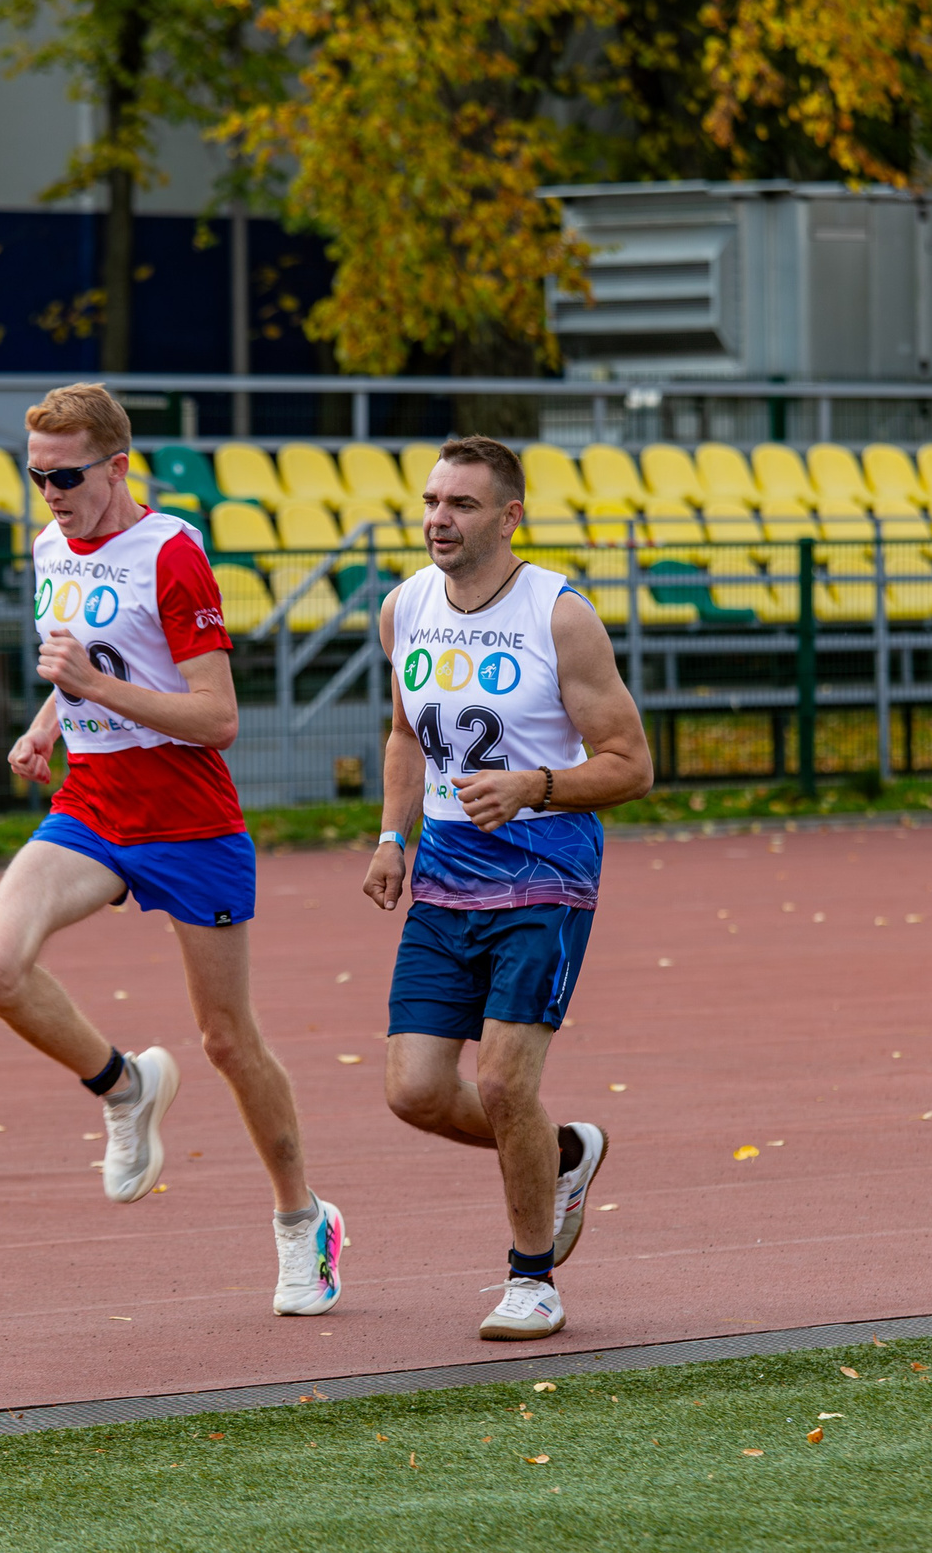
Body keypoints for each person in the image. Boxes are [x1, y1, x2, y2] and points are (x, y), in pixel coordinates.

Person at [0, 383, 342, 1314]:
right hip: (94, 801)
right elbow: (85, 658)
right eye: (35, 475)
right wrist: (51, 719)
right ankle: (124, 1085)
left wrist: (90, 684)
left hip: (187, 813)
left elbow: (216, 717)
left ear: (118, 464)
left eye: (66, 474)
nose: (49, 492)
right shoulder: (51, 544)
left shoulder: (171, 555)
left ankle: (305, 1223)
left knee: (226, 1038)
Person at [362, 435, 654, 1340]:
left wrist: (536, 783)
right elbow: (407, 734)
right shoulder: (405, 605)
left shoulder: (559, 615)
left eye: (462, 504)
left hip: (545, 871)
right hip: (445, 870)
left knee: (500, 1083)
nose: (439, 519)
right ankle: (562, 1152)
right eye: (432, 501)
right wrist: (390, 836)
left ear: (509, 516)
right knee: (413, 1089)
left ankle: (534, 1279)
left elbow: (633, 764)